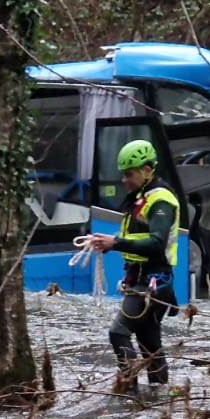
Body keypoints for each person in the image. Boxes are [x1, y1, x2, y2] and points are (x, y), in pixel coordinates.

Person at [87, 139, 180, 399]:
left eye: (129, 174)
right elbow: (137, 236)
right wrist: (107, 243)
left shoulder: (162, 200)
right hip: (140, 280)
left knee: (118, 333)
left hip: (154, 282)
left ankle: (128, 395)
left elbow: (156, 243)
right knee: (150, 347)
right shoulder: (141, 198)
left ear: (147, 170)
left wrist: (115, 243)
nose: (124, 180)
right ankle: (158, 400)